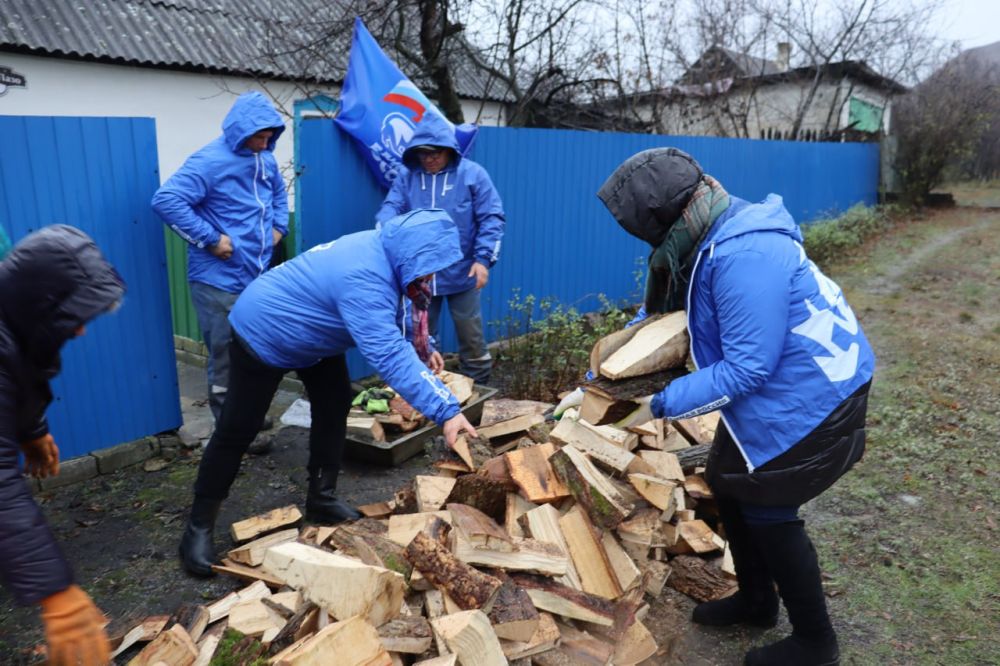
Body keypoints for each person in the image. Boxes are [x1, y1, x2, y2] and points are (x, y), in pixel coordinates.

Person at [599, 148, 875, 666]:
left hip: (818, 395)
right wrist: (610, 367)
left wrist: (659, 404)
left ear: (676, 216)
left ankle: (817, 642)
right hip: (794, 383)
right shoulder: (714, 230)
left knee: (769, 505)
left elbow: (749, 369)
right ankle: (756, 600)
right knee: (726, 479)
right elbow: (669, 311)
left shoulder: (743, 255)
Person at [179, 209, 480, 577]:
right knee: (238, 427)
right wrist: (446, 411)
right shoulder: (363, 276)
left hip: (314, 335)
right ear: (411, 254)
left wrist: (423, 344)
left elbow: (401, 307)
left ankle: (321, 499)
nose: (431, 277)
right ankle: (198, 527)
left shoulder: (391, 253)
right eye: (428, 267)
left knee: (335, 400)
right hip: (265, 330)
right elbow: (386, 352)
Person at [0, 225, 126, 665]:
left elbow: (24, 371)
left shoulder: (16, 326)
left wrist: (31, 430)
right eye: (73, 319)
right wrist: (56, 592)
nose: (80, 333)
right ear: (40, 306)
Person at [152, 91, 289, 450]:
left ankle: (250, 413)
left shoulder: (265, 158)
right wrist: (210, 239)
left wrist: (279, 228)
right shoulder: (210, 161)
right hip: (218, 279)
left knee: (256, 347)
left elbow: (278, 194)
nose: (264, 142)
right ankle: (232, 430)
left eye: (269, 136)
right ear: (239, 131)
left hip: (256, 274)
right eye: (258, 136)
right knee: (227, 354)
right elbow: (166, 200)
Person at [375, 113, 505, 385]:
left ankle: (478, 384)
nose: (430, 159)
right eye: (423, 154)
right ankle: (422, 386)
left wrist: (483, 260)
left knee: (470, 332)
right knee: (419, 333)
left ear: (449, 151)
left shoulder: (472, 174)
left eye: (436, 153)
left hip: (463, 270)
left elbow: (491, 217)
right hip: (419, 273)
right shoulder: (407, 177)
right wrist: (382, 229)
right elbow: (392, 207)